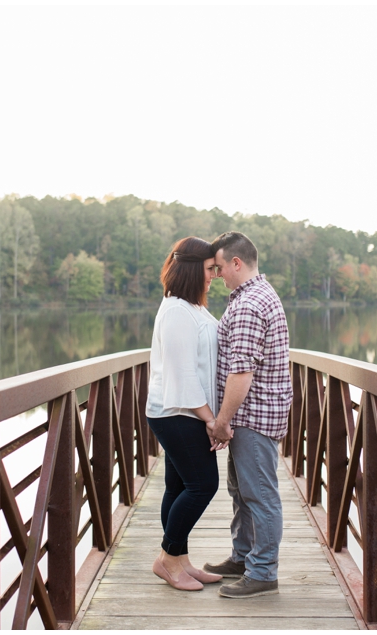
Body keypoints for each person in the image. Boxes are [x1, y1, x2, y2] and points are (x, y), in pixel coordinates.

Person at [203, 231, 293, 599]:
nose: (217, 274)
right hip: (254, 415)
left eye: (220, 267)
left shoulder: (248, 305)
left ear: (236, 263)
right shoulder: (254, 296)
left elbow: (241, 373)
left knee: (259, 496)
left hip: (252, 417)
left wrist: (221, 422)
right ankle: (243, 558)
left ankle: (262, 572)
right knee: (242, 492)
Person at [145, 236, 229, 591]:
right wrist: (212, 420)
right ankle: (167, 559)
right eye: (210, 269)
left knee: (178, 485)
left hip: (182, 410)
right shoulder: (178, 311)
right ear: (194, 268)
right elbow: (183, 374)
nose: (214, 276)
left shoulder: (191, 306)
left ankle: (180, 561)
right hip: (176, 411)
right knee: (202, 485)